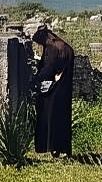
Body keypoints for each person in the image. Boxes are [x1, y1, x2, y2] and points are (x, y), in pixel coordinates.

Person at [32, 26, 74, 157]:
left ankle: (52, 147)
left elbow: (49, 68)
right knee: (63, 120)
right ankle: (64, 149)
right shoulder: (63, 46)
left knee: (49, 120)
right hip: (64, 90)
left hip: (52, 91)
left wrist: (35, 79)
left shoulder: (52, 48)